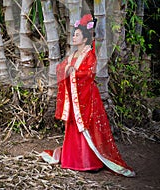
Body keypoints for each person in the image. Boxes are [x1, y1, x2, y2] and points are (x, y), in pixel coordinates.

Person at [40, 14, 135, 177]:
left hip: (87, 99)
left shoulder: (89, 54)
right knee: (73, 128)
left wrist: (74, 73)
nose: (74, 37)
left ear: (84, 39)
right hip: (76, 99)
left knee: (88, 128)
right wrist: (66, 70)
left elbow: (89, 73)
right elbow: (60, 69)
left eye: (77, 35)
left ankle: (89, 162)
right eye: (74, 34)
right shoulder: (73, 55)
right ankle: (72, 160)